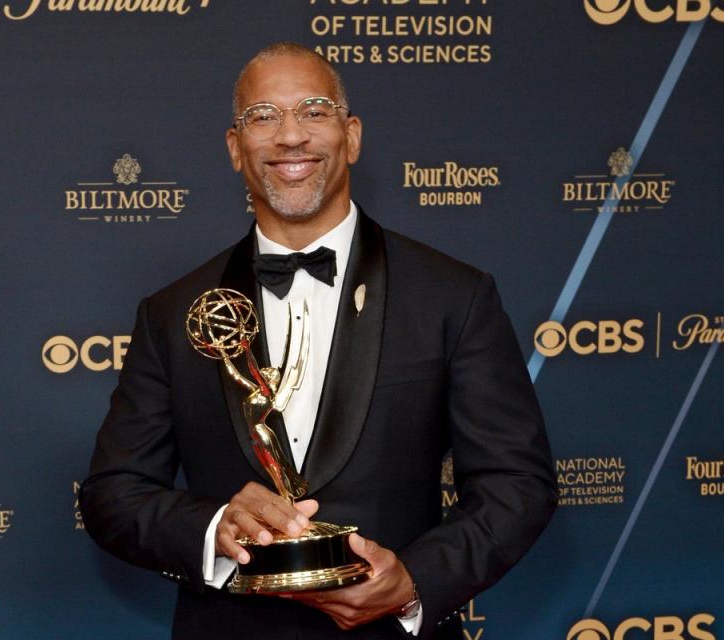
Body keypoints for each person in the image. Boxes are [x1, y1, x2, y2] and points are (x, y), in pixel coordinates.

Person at [80, 42, 557, 640]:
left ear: (351, 135)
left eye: (313, 110)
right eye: (263, 117)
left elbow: (518, 483)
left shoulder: (453, 295)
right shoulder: (173, 312)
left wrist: (413, 579)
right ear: (235, 148)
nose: (289, 137)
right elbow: (112, 494)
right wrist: (214, 526)